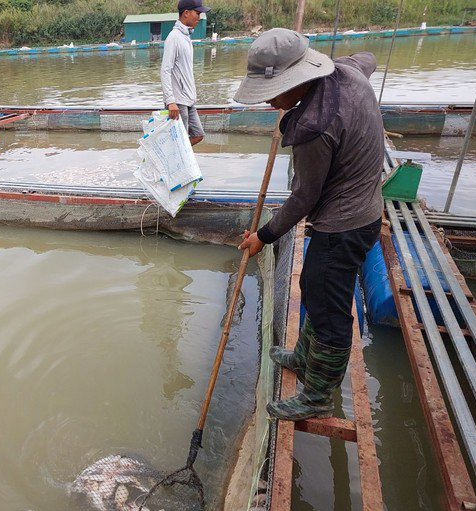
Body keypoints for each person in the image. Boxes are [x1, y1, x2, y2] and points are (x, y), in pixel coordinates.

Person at [234, 28, 384, 421]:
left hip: (344, 224)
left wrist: (263, 237)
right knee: (312, 286)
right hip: (363, 210)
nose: (269, 99)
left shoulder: (315, 128)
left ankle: (317, 397)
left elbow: (304, 198)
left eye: (274, 91)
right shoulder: (347, 71)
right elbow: (366, 57)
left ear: (300, 78)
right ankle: (303, 357)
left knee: (328, 308)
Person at [161, 0, 211, 146]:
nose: (199, 17)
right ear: (186, 13)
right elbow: (165, 70)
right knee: (179, 141)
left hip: (189, 100)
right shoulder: (174, 37)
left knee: (198, 135)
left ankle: (173, 158)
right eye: (197, 13)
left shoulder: (185, 37)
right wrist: (170, 101)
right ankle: (173, 163)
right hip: (178, 102)